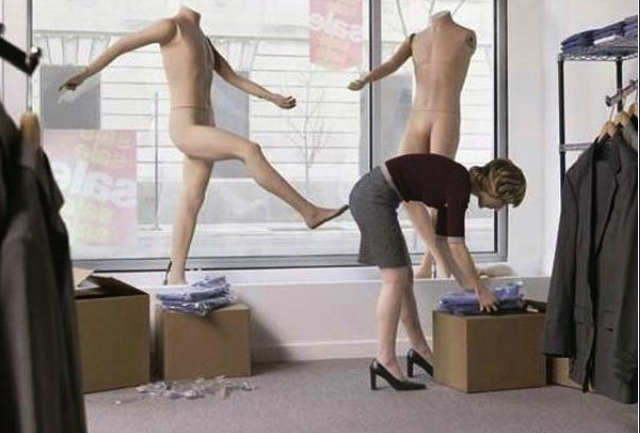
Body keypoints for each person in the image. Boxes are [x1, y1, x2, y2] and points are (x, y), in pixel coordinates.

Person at [60, 6, 348, 285]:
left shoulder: (203, 39)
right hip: (186, 128)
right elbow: (123, 44)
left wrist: (271, 97)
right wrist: (84, 73)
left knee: (191, 201)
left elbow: (233, 76)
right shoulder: (171, 26)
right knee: (249, 150)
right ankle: (308, 212)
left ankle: (175, 275)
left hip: (204, 125)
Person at [349, 154, 526, 391]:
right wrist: (479, 290)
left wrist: (467, 284)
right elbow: (457, 246)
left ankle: (420, 350)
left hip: (377, 197)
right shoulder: (459, 183)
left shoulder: (457, 182)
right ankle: (385, 359)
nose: (500, 208)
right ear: (495, 188)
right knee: (395, 279)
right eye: (503, 202)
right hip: (373, 198)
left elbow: (443, 242)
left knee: (405, 278)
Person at [348, 10, 476, 279]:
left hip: (445, 117)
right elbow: (391, 65)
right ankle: (438, 257)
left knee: (439, 196)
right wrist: (367, 77)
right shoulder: (415, 39)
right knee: (404, 189)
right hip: (417, 117)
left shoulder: (465, 36)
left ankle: (431, 263)